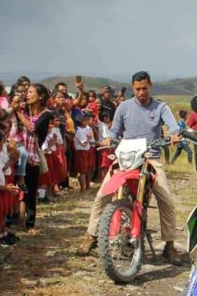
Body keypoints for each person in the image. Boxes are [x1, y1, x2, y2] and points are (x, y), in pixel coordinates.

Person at [77, 71, 182, 263]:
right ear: (133, 88)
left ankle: (169, 245)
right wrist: (110, 138)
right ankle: (91, 236)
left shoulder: (161, 107)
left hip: (150, 157)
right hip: (127, 155)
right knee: (102, 195)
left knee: (165, 199)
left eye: (145, 88)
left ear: (151, 86)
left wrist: (175, 135)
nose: (141, 92)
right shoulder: (124, 107)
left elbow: (174, 127)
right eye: (138, 89)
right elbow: (115, 131)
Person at [14, 84, 53, 229]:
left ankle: (30, 224)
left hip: (32, 157)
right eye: (27, 92)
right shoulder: (24, 109)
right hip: (16, 154)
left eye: (31, 92)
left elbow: (32, 128)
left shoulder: (46, 114)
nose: (27, 95)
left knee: (30, 191)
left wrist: (18, 114)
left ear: (41, 96)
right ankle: (16, 220)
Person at [74, 112, 93, 192]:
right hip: (82, 152)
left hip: (86, 151)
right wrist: (89, 138)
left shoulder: (84, 130)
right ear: (82, 122)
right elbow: (84, 143)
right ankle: (82, 188)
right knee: (82, 171)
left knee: (86, 169)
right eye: (85, 121)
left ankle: (86, 186)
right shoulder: (79, 131)